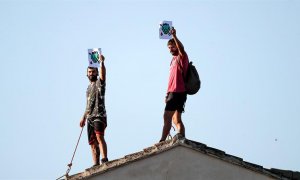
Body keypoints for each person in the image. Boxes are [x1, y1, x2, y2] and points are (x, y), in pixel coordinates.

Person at [159, 27, 189, 142]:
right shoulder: (172, 60)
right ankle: (181, 138)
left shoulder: (182, 57)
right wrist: (167, 94)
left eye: (172, 47)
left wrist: (174, 36)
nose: (170, 49)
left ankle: (162, 140)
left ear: (176, 46)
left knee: (167, 116)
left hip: (177, 92)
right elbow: (171, 80)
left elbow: (182, 49)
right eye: (169, 48)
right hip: (174, 92)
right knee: (176, 120)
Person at [80, 54, 108, 166]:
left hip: (99, 114)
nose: (91, 74)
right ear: (87, 74)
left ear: (96, 73)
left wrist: (101, 63)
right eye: (89, 72)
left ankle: (105, 159)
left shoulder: (99, 83)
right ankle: (95, 164)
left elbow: (103, 74)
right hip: (90, 116)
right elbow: (88, 105)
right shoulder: (88, 88)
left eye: (93, 72)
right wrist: (83, 118)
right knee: (92, 143)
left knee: (99, 136)